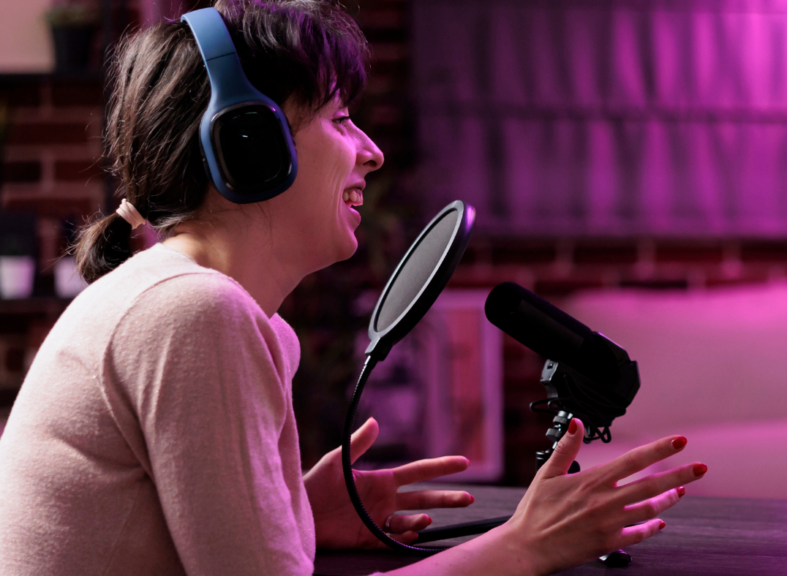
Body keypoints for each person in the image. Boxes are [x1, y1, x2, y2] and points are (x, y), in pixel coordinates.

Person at [0, 1, 707, 574]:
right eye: (340, 120)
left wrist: (296, 516)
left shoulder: (185, 303)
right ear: (251, 143)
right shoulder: (193, 314)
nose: (371, 151)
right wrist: (522, 547)